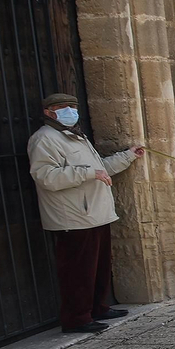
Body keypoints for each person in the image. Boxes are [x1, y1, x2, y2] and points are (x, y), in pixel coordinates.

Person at [26, 92, 144, 334]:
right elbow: (46, 177)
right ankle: (76, 319)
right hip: (73, 216)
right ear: (49, 112)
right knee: (77, 271)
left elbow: (100, 168)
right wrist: (88, 173)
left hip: (95, 212)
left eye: (73, 106)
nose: (70, 111)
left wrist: (128, 156)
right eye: (63, 107)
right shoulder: (44, 139)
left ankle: (97, 308)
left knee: (98, 266)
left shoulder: (76, 137)